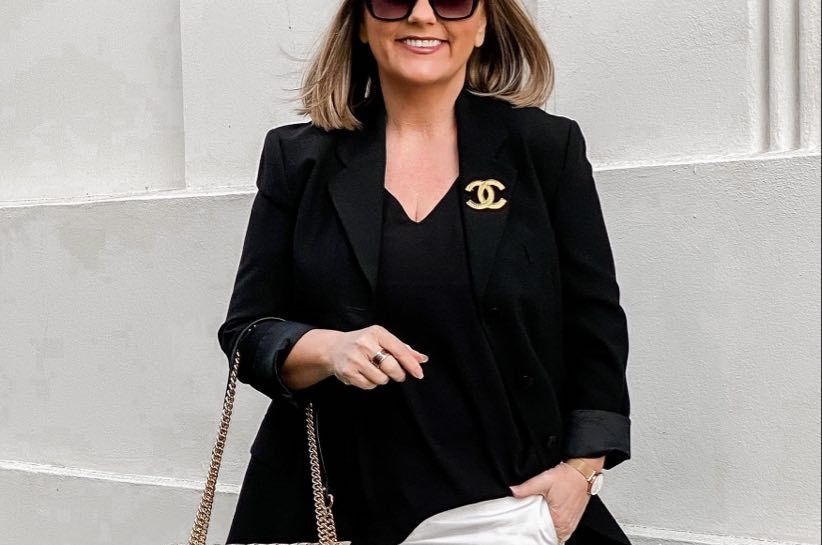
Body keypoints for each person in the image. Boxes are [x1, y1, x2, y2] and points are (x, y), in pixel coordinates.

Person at [216, 1, 632, 544]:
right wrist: (329, 348)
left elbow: (594, 322)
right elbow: (248, 331)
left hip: (506, 510)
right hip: (341, 509)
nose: (421, 16)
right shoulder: (299, 158)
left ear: (482, 25)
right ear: (361, 25)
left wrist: (581, 473)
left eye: (452, 1)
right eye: (394, 0)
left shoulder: (544, 149)